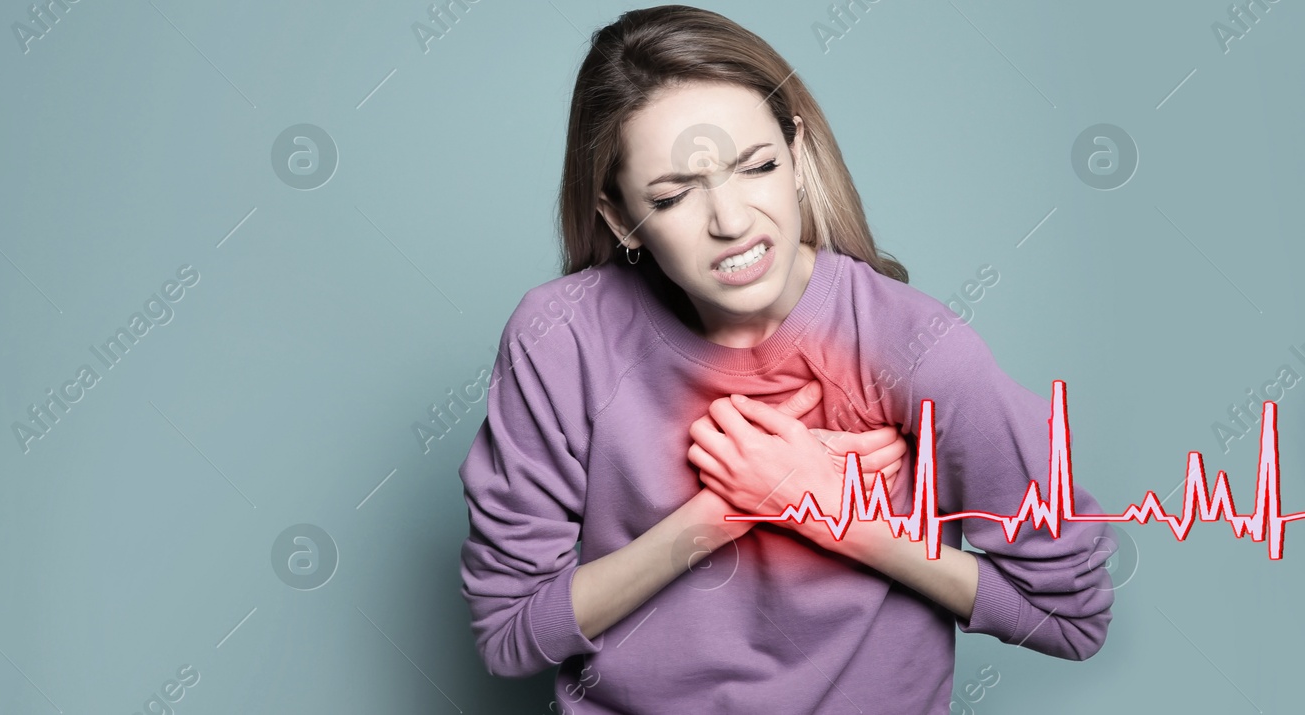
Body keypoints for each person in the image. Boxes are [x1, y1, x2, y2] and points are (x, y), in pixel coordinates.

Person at [457, 5, 1115, 714]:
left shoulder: (919, 353)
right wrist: (719, 514)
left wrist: (842, 518)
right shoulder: (559, 338)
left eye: (758, 166)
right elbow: (509, 634)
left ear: (797, 155)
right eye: (675, 195)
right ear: (621, 219)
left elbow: (1072, 619)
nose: (732, 221)